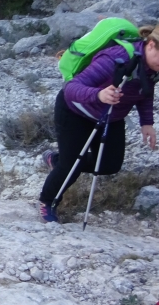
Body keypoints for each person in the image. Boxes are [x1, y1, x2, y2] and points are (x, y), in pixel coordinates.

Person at [38, 23, 159, 223]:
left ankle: (57, 160)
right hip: (76, 111)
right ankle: (47, 201)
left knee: (110, 165)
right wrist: (99, 94)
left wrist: (147, 122)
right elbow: (72, 88)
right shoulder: (116, 58)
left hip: (110, 116)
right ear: (152, 45)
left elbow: (145, 90)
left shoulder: (153, 67)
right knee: (71, 165)